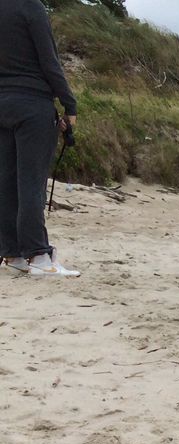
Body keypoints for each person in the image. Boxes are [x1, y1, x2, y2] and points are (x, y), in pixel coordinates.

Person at [0, 0, 81, 278]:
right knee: (31, 183)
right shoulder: (30, 7)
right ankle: (38, 255)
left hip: (2, 103)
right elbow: (49, 62)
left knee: (6, 182)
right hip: (32, 105)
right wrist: (69, 105)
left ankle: (12, 254)